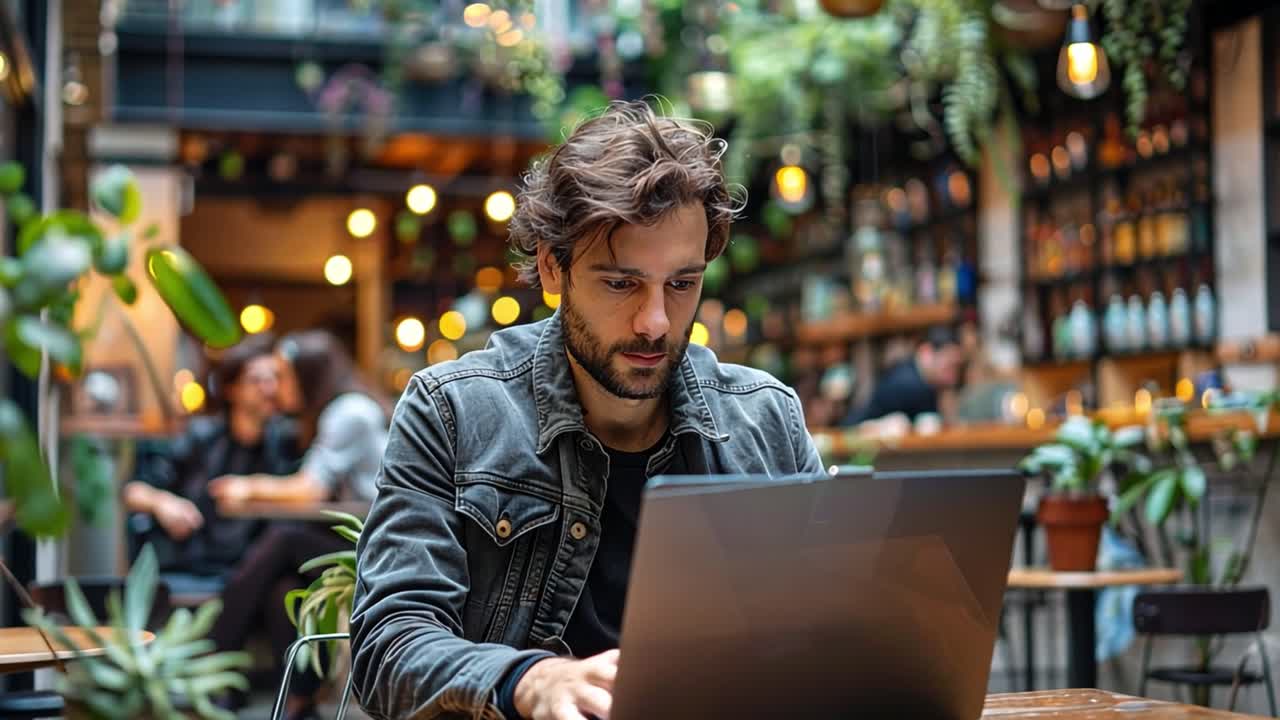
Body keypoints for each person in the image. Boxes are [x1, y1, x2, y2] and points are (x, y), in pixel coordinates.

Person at [349, 100, 825, 720]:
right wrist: (532, 681)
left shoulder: (766, 419)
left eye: (681, 284)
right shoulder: (454, 413)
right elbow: (389, 644)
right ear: (553, 266)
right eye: (622, 283)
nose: (655, 322)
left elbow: (830, 632)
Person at [207, 329, 393, 720]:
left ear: (308, 376)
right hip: (363, 540)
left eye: (283, 375)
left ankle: (216, 661)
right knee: (283, 589)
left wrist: (248, 486)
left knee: (283, 540)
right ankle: (298, 701)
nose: (276, 387)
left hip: (385, 550)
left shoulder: (350, 412)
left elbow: (309, 490)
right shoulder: (338, 412)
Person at [125, 333, 299, 597]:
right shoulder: (199, 438)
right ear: (232, 388)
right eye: (256, 379)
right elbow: (134, 491)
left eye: (274, 377)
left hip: (255, 566)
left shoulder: (288, 442)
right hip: (195, 560)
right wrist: (164, 503)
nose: (269, 388)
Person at [841, 324, 966, 428]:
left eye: (957, 367)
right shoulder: (909, 384)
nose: (953, 377)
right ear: (926, 353)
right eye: (950, 366)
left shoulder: (914, 375)